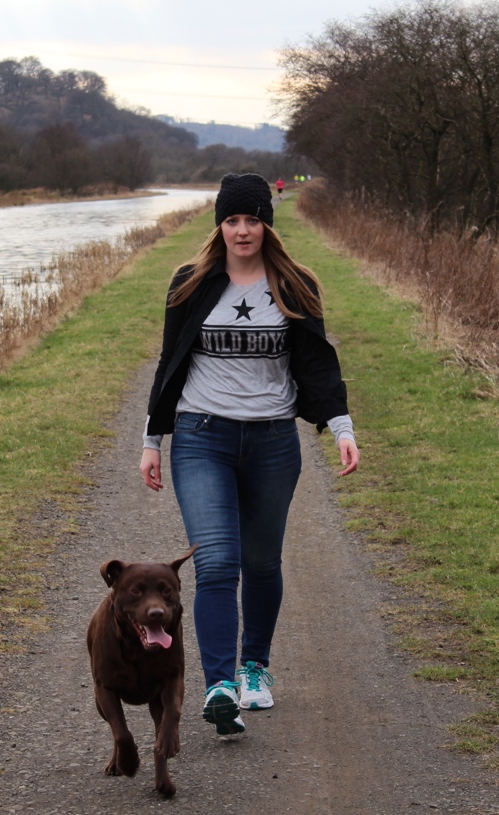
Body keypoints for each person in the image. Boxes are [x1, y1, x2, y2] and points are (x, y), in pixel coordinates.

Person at [139, 173, 359, 736]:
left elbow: (317, 364)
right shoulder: (190, 282)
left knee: (261, 562)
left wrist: (340, 428)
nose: (242, 230)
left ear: (267, 225)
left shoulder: (294, 284)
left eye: (253, 220)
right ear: (220, 224)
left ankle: (254, 666)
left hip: (272, 441)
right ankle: (220, 686)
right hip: (201, 436)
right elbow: (169, 362)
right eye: (232, 220)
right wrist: (152, 440)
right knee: (216, 562)